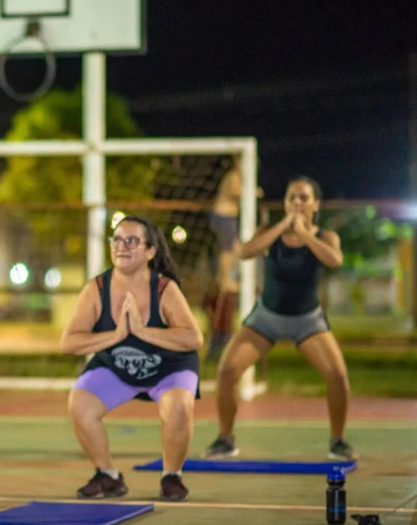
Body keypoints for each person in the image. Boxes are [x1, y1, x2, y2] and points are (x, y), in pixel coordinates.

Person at [203, 176, 354, 461]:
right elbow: (246, 252)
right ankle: (225, 439)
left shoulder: (325, 237)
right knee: (227, 371)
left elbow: (334, 260)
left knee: (338, 376)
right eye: (291, 198)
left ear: (315, 204)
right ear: (285, 203)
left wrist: (305, 234)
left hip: (308, 320)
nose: (297, 203)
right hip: (267, 317)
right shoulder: (270, 231)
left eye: (303, 198)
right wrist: (283, 227)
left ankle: (338, 441)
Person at [62, 216, 203, 502]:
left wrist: (141, 331)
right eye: (116, 239)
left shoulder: (164, 289)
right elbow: (69, 342)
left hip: (169, 368)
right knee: (80, 403)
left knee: (177, 408)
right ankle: (108, 476)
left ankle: (171, 475)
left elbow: (193, 338)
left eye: (131, 241)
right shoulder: (97, 289)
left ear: (150, 251)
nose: (121, 246)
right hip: (117, 366)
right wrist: (114, 337)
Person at [207, 161, 263, 360]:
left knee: (235, 248)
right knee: (228, 250)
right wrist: (253, 192)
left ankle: (228, 277)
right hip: (223, 217)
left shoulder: (238, 178)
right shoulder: (233, 177)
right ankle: (225, 279)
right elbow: (236, 193)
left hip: (227, 218)